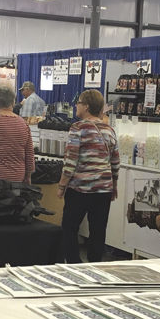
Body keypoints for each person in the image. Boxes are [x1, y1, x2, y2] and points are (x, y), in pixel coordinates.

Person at [58, 89, 119, 263]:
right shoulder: (109, 130)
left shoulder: (78, 128)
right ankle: (94, 266)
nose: (76, 106)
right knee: (98, 231)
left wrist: (62, 185)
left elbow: (71, 161)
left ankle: (74, 265)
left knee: (69, 228)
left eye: (78, 102)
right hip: (103, 189)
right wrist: (114, 185)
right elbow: (115, 161)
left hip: (80, 188)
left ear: (86, 106)